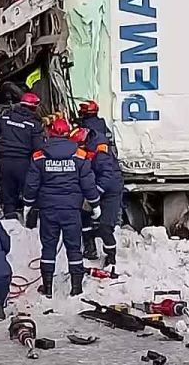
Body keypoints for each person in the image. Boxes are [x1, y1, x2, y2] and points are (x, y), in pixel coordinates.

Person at [22, 118, 100, 298]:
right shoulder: (79, 155)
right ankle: (76, 288)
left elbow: (31, 184)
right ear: (67, 133)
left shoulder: (39, 156)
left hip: (48, 210)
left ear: (50, 133)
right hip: (72, 210)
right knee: (74, 247)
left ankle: (48, 288)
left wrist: (28, 204)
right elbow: (88, 183)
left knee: (48, 247)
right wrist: (95, 203)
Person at [70, 128, 123, 266]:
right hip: (96, 188)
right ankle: (90, 247)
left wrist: (94, 195)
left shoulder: (101, 154)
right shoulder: (91, 147)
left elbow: (107, 176)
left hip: (111, 191)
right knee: (84, 217)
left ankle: (111, 256)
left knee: (105, 226)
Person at [0, 92, 45, 221]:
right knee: (27, 189)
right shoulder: (34, 125)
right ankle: (30, 217)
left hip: (4, 161)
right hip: (23, 162)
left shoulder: (5, 117)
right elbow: (38, 147)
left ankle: (10, 215)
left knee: (7, 188)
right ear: (34, 107)